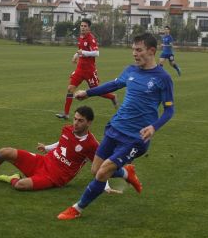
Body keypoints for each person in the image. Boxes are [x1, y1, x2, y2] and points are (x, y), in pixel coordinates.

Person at [57, 33, 175, 220]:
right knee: (96, 170)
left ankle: (77, 209)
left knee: (103, 171)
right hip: (115, 128)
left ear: (152, 51)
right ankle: (126, 173)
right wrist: (88, 92)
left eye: (139, 50)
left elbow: (169, 111)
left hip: (136, 137)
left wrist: (153, 127)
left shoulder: (163, 78)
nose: (134, 54)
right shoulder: (130, 70)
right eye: (133, 50)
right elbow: (113, 85)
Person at [0, 106, 131, 192]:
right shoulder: (67, 130)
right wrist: (46, 147)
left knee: (20, 185)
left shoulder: (91, 144)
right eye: (75, 119)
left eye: (80, 121)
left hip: (54, 177)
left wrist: (106, 186)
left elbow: (100, 167)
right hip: (43, 161)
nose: (75, 123)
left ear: (89, 123)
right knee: (5, 151)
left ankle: (11, 178)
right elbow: (62, 143)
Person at [56, 19, 118, 120]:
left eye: (85, 26)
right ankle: (66, 114)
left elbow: (96, 53)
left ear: (89, 28)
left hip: (89, 71)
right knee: (70, 89)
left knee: (97, 91)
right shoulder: (81, 37)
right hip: (80, 69)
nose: (83, 28)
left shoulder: (91, 38)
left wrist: (83, 53)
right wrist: (76, 55)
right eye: (81, 26)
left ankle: (112, 97)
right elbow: (80, 49)